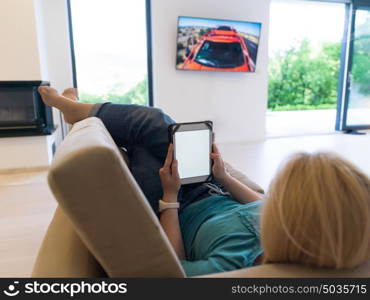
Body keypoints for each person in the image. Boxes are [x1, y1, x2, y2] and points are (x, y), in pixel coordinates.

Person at [38, 87, 370, 276]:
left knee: (146, 133)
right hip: (208, 186)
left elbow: (174, 262)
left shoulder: (231, 261)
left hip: (172, 204)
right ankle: (82, 110)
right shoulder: (286, 227)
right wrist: (223, 175)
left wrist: (170, 196)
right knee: (163, 127)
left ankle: (79, 112)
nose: (273, 206)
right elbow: (260, 202)